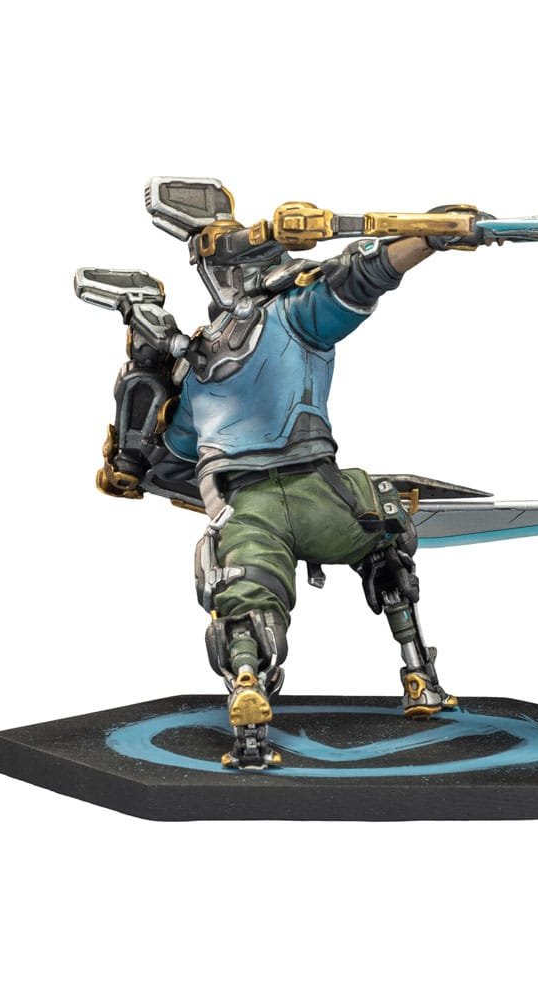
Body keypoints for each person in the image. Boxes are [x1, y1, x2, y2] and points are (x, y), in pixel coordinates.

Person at [84, 178, 491, 767]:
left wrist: (426, 236)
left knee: (243, 592)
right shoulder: (291, 317)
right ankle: (418, 676)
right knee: (384, 537)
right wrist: (427, 239)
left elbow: (172, 456)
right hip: (322, 497)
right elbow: (363, 277)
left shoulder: (196, 367)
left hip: (246, 508)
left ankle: (248, 688)